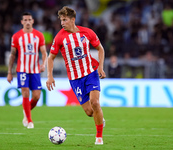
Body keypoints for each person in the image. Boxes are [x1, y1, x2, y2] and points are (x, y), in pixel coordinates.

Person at [46, 6, 106, 145]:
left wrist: (100, 68)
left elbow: (100, 48)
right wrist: (50, 76)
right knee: (89, 112)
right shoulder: (60, 37)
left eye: (65, 20)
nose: (62, 23)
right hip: (75, 79)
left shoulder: (87, 32)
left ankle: (99, 137)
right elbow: (50, 58)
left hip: (90, 72)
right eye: (61, 20)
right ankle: (99, 118)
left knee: (95, 103)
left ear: (73, 20)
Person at [7, 12, 47, 129]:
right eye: (25, 20)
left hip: (35, 70)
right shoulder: (16, 36)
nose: (27, 22)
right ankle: (29, 120)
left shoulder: (39, 35)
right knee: (25, 92)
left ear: (33, 21)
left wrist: (43, 64)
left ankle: (26, 111)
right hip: (22, 70)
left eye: (29, 19)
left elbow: (44, 52)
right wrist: (9, 72)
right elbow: (13, 55)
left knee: (36, 96)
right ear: (22, 22)